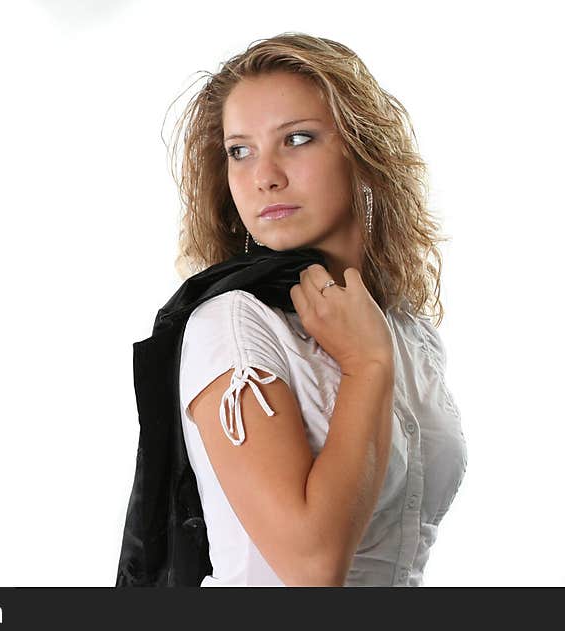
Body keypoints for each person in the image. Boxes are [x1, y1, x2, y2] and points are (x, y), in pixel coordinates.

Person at [118, 33, 467, 587]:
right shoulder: (236, 324)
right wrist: (366, 367)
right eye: (240, 151)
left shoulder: (407, 329)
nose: (265, 175)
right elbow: (310, 568)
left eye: (297, 139)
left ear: (363, 150)